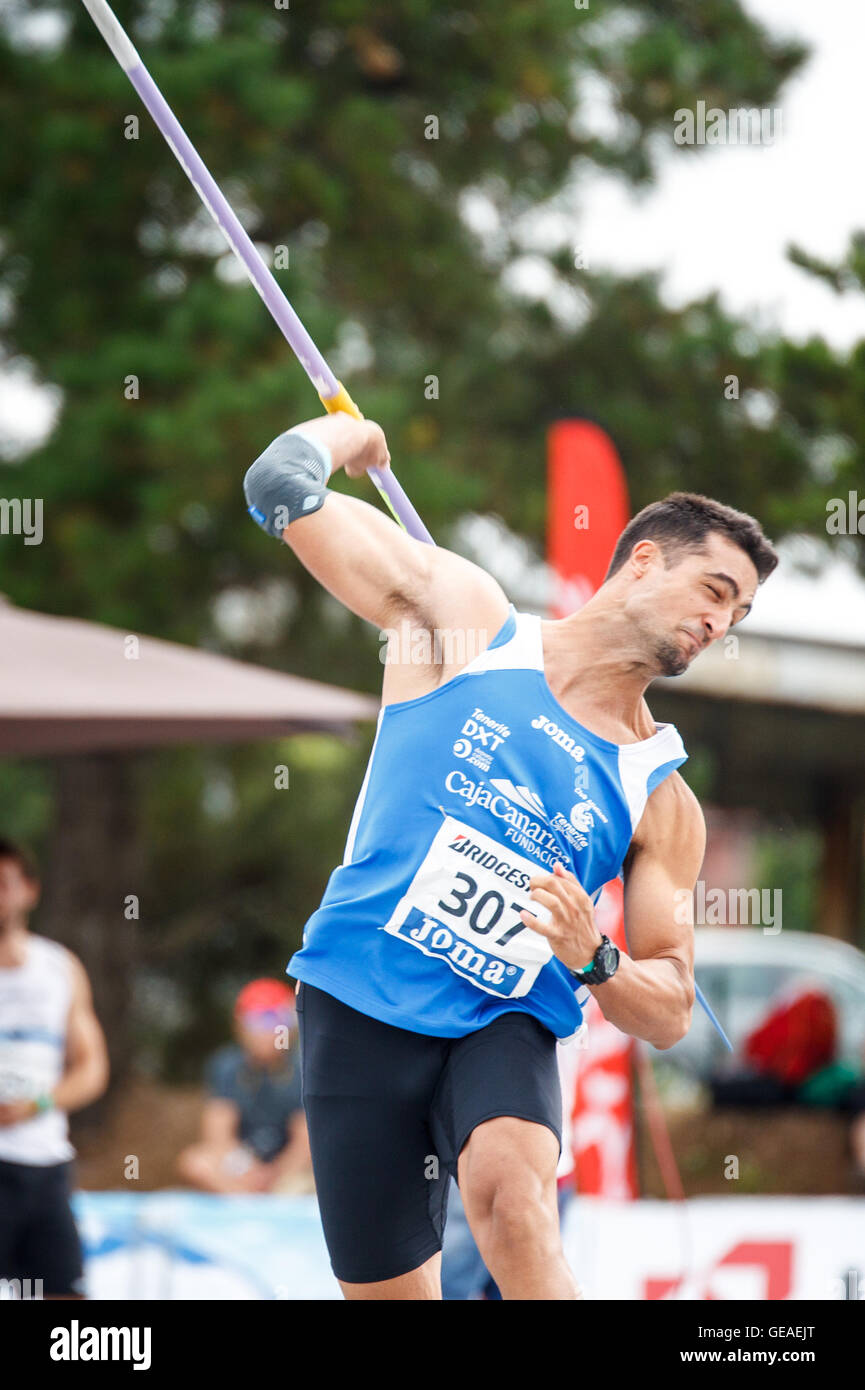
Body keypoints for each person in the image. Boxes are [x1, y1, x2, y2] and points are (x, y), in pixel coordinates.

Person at [242, 410, 778, 1299]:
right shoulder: (468, 625)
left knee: (511, 1203)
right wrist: (358, 440)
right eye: (713, 589)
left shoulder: (659, 793)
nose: (719, 622)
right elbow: (279, 488)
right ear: (641, 558)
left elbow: (670, 1008)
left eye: (738, 611)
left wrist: (594, 958)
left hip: (503, 1011)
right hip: (356, 993)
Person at [0, 838, 109, 1299]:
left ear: (29, 890)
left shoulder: (59, 967)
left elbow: (92, 1067)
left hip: (45, 1165)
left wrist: (37, 1103)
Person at [177, 978, 310, 1194]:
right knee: (196, 1162)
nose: (267, 1031)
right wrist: (246, 1170)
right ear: (240, 1026)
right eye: (257, 1020)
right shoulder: (226, 1066)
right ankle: (251, 1202)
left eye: (277, 1020)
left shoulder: (303, 1069)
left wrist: (277, 1173)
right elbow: (218, 1134)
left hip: (286, 1172)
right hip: (241, 1170)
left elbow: (305, 1142)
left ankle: (260, 1201)